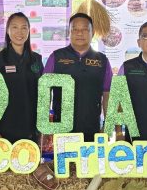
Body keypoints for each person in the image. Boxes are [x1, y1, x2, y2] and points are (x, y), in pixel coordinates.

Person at [43, 13, 112, 141]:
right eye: (75, 29)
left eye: (85, 29)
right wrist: (45, 126)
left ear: (92, 33)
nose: (80, 33)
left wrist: (107, 126)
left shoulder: (102, 61)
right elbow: (44, 94)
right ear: (69, 32)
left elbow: (108, 95)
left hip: (92, 129)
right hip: (61, 130)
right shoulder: (56, 57)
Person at [0, 12, 43, 143]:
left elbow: (43, 95)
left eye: (24, 28)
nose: (20, 32)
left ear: (29, 31)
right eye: (14, 27)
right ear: (8, 30)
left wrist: (44, 126)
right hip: (6, 128)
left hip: (32, 127)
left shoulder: (37, 59)